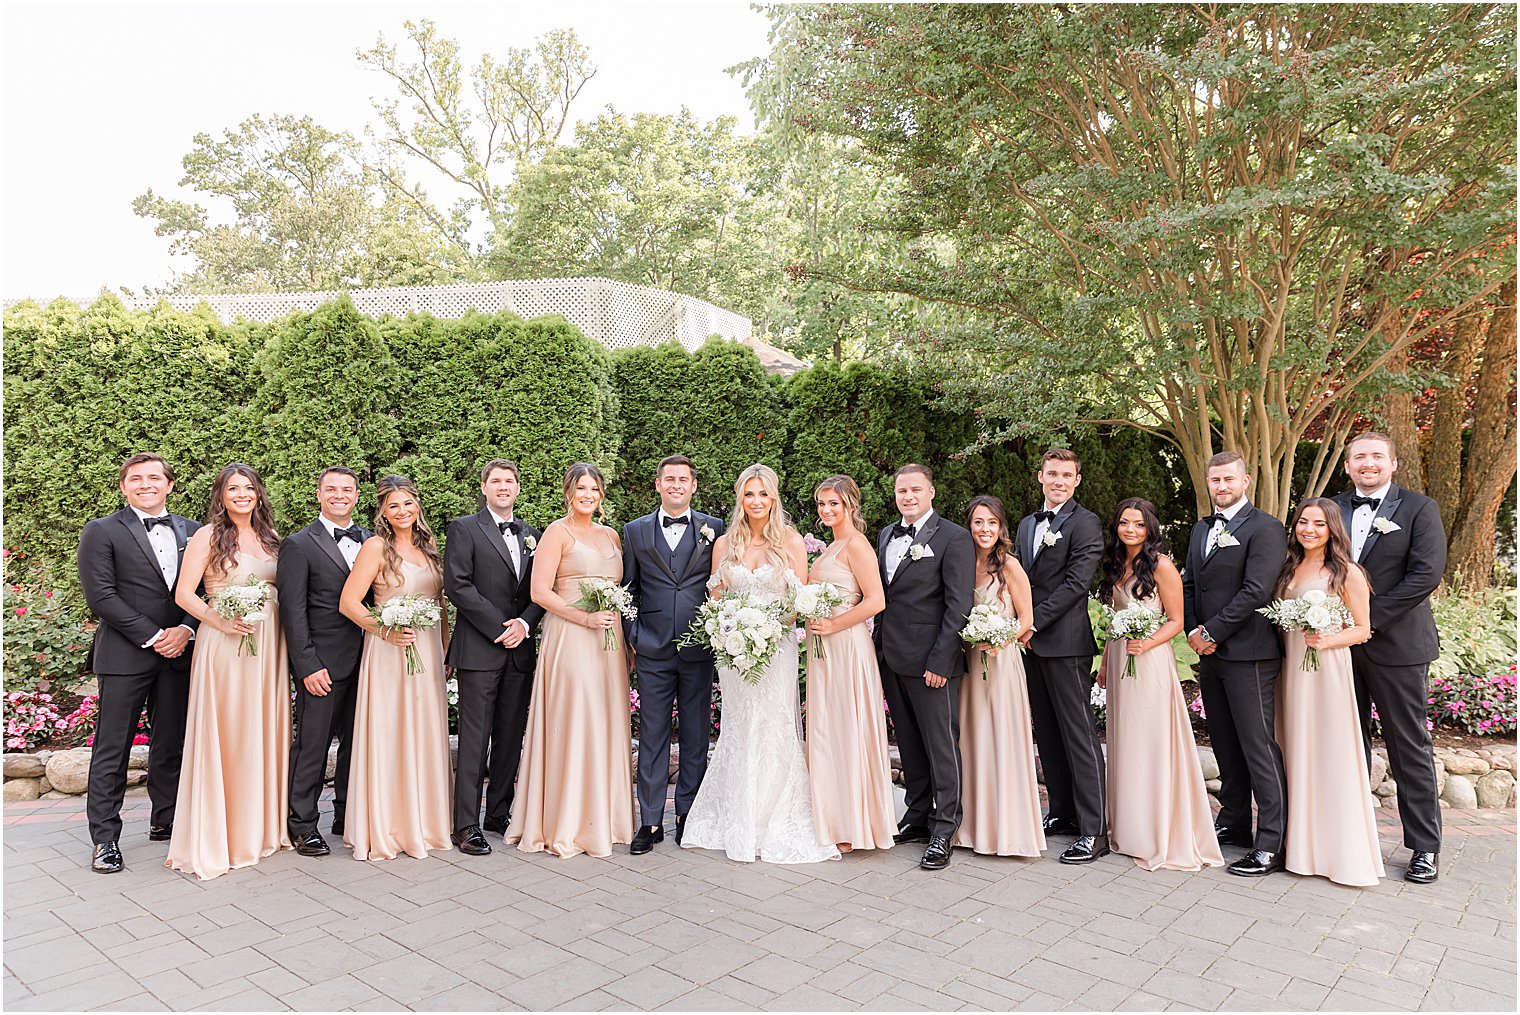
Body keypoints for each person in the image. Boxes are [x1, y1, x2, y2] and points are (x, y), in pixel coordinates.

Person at [682, 463, 839, 864]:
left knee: (774, 723)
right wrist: (730, 630)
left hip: (775, 648)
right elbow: (715, 597)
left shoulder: (789, 542)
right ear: (741, 498)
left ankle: (772, 818)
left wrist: (766, 632)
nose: (756, 502)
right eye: (749, 494)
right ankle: (738, 817)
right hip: (735, 652)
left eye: (763, 494)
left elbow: (796, 602)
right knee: (739, 725)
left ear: (774, 498)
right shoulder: (724, 543)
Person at [164, 464, 291, 879]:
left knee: (260, 730)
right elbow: (185, 594)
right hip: (226, 643)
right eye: (233, 488)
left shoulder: (272, 538)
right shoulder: (207, 535)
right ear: (220, 495)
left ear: (259, 494)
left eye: (249, 488)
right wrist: (219, 622)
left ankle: (259, 829)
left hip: (268, 647)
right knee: (232, 730)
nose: (242, 494)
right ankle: (225, 832)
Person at [77, 453, 201, 874]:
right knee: (113, 746)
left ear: (169, 484)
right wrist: (153, 636)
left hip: (180, 653)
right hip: (126, 653)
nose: (145, 484)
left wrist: (184, 631)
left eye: (154, 478)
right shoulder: (101, 531)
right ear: (123, 487)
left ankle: (165, 820)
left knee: (171, 742)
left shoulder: (196, 531)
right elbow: (101, 595)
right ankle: (105, 838)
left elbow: (206, 587)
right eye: (135, 479)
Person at [1331, 432, 1446, 884]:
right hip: (1338, 646)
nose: (1368, 463)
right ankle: (1348, 839)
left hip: (1397, 645)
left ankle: (1424, 847)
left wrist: (1366, 620)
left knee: (1408, 745)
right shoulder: (1331, 508)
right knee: (1344, 742)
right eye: (1360, 457)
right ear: (1347, 466)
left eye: (1377, 456)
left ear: (1393, 463)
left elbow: (1425, 575)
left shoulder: (1419, 509)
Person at [505, 463, 635, 858]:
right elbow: (540, 592)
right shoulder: (555, 534)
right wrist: (584, 617)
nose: (588, 495)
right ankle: (565, 822)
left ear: (601, 495)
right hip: (572, 636)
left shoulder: (611, 535)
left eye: (594, 489)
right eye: (581, 488)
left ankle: (604, 819)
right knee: (575, 719)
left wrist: (625, 643)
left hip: (609, 643)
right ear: (568, 492)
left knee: (606, 722)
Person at [1097, 498, 1223, 872]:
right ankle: (1128, 825)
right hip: (1121, 659)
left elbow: (1176, 620)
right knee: (1124, 739)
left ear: (1150, 527)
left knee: (1150, 740)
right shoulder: (1116, 563)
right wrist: (1106, 659)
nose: (1130, 529)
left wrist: (1146, 643)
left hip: (1149, 660)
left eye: (1138, 524)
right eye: (1124, 522)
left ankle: (1155, 831)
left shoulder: (1162, 565)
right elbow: (1115, 618)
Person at [1181, 451, 1289, 877]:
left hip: (1250, 654)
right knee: (1225, 742)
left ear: (1246, 480)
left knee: (1258, 746)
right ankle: (1234, 822)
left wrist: (1213, 632)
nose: (1221, 487)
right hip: (1211, 654)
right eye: (1215, 481)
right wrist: (1193, 630)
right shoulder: (1201, 528)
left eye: (1229, 480)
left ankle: (1272, 842)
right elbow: (1190, 582)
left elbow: (1257, 590)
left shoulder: (1266, 528)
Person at [339, 475, 453, 861]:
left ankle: (425, 823)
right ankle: (387, 826)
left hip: (428, 653)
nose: (402, 511)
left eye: (408, 503)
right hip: (389, 652)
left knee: (424, 731)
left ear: (417, 505)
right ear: (382, 512)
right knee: (391, 732)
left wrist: (446, 649)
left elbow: (440, 606)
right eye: (393, 506)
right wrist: (384, 631)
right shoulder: (376, 547)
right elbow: (350, 603)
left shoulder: (429, 546)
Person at [1272, 499, 1384, 887]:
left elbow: (1363, 628)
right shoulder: (1289, 568)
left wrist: (1328, 638)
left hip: (1327, 672)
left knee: (1328, 751)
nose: (1309, 529)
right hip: (1291, 671)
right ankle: (1300, 847)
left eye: (1318, 524)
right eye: (1303, 522)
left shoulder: (1347, 572)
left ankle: (1338, 850)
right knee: (1294, 750)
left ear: (1332, 529)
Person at [622, 455, 725, 854]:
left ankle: (688, 815)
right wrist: (635, 634)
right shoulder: (635, 531)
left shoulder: (713, 529)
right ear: (658, 485)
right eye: (670, 479)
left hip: (699, 648)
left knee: (697, 734)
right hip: (653, 647)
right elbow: (628, 590)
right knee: (651, 733)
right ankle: (649, 821)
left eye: (684, 480)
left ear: (694, 486)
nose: (677, 485)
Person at [876, 464, 975, 870]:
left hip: (932, 662)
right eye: (902, 490)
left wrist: (942, 659)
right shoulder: (885, 534)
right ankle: (917, 815)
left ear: (931, 491)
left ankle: (944, 827)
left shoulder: (954, 537)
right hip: (892, 657)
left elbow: (958, 606)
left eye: (916, 489)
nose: (908, 496)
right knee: (911, 745)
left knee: (941, 746)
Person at [444, 459, 545, 855]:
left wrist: (523, 624)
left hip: (520, 650)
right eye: (496, 481)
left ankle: (498, 812)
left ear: (518, 488)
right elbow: (458, 584)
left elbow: (540, 589)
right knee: (474, 738)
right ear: (484, 487)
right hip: (480, 648)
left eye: (510, 481)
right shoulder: (464, 528)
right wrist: (501, 626)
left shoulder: (533, 535)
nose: (503, 487)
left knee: (508, 737)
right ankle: (465, 824)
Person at [1013, 449, 1107, 864]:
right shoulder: (1025, 524)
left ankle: (1094, 830)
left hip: (1065, 643)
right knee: (1047, 733)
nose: (1058, 481)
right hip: (1031, 644)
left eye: (1066, 475)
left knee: (1079, 736)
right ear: (1040, 477)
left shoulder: (1085, 523)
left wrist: (1031, 623)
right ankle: (1063, 813)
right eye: (1052, 474)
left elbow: (1075, 585)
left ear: (1077, 481)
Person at [279, 466, 369, 858]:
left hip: (368, 662)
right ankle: (302, 824)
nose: (339, 495)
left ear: (356, 496)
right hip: (323, 665)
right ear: (318, 495)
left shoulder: (372, 541)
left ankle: (345, 815)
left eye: (346, 490)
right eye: (331, 489)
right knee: (312, 746)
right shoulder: (299, 544)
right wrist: (308, 665)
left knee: (357, 744)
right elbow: (293, 612)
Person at [803, 475, 894, 853]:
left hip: (847, 648)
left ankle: (853, 824)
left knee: (846, 730)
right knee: (827, 731)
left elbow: (875, 601)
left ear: (850, 505)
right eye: (822, 503)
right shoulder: (830, 546)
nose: (826, 510)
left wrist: (833, 624)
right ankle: (830, 818)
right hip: (824, 651)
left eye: (834, 504)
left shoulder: (857, 546)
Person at [954, 495, 1044, 859]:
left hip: (1000, 663)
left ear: (1001, 527)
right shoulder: (960, 563)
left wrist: (999, 638)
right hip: (968, 664)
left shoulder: (1009, 566)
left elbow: (1027, 620)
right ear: (969, 526)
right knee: (972, 739)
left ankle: (1007, 831)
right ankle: (972, 828)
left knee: (1001, 738)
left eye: (991, 523)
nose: (984, 529)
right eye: (978, 522)